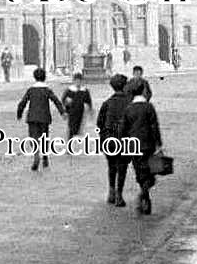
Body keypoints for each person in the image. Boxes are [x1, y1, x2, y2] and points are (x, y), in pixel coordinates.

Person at [121, 78, 162, 215]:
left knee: (139, 172)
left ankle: (145, 196)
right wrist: (159, 144)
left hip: (133, 146)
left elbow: (123, 130)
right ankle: (143, 194)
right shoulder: (149, 107)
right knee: (150, 173)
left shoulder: (128, 109)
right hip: (148, 145)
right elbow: (154, 126)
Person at [16, 67, 64, 171]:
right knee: (44, 138)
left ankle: (36, 155)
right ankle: (45, 158)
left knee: (33, 137)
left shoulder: (31, 90)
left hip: (32, 117)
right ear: (44, 77)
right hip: (44, 118)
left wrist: (19, 113)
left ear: (34, 77)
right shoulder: (47, 90)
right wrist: (62, 112)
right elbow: (56, 101)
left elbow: (22, 103)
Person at [96, 73, 130, 207]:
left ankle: (111, 191)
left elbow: (99, 123)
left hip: (109, 139)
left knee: (111, 165)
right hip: (125, 139)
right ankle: (119, 195)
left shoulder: (107, 103)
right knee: (122, 167)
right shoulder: (130, 102)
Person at [62, 73, 92, 140]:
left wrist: (90, 109)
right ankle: (70, 139)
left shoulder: (84, 90)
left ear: (82, 81)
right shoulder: (69, 90)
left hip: (81, 111)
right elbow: (63, 99)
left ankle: (76, 139)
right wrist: (66, 103)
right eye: (76, 81)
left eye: (79, 81)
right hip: (71, 111)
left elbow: (88, 101)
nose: (78, 82)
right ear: (73, 81)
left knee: (79, 126)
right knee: (71, 126)